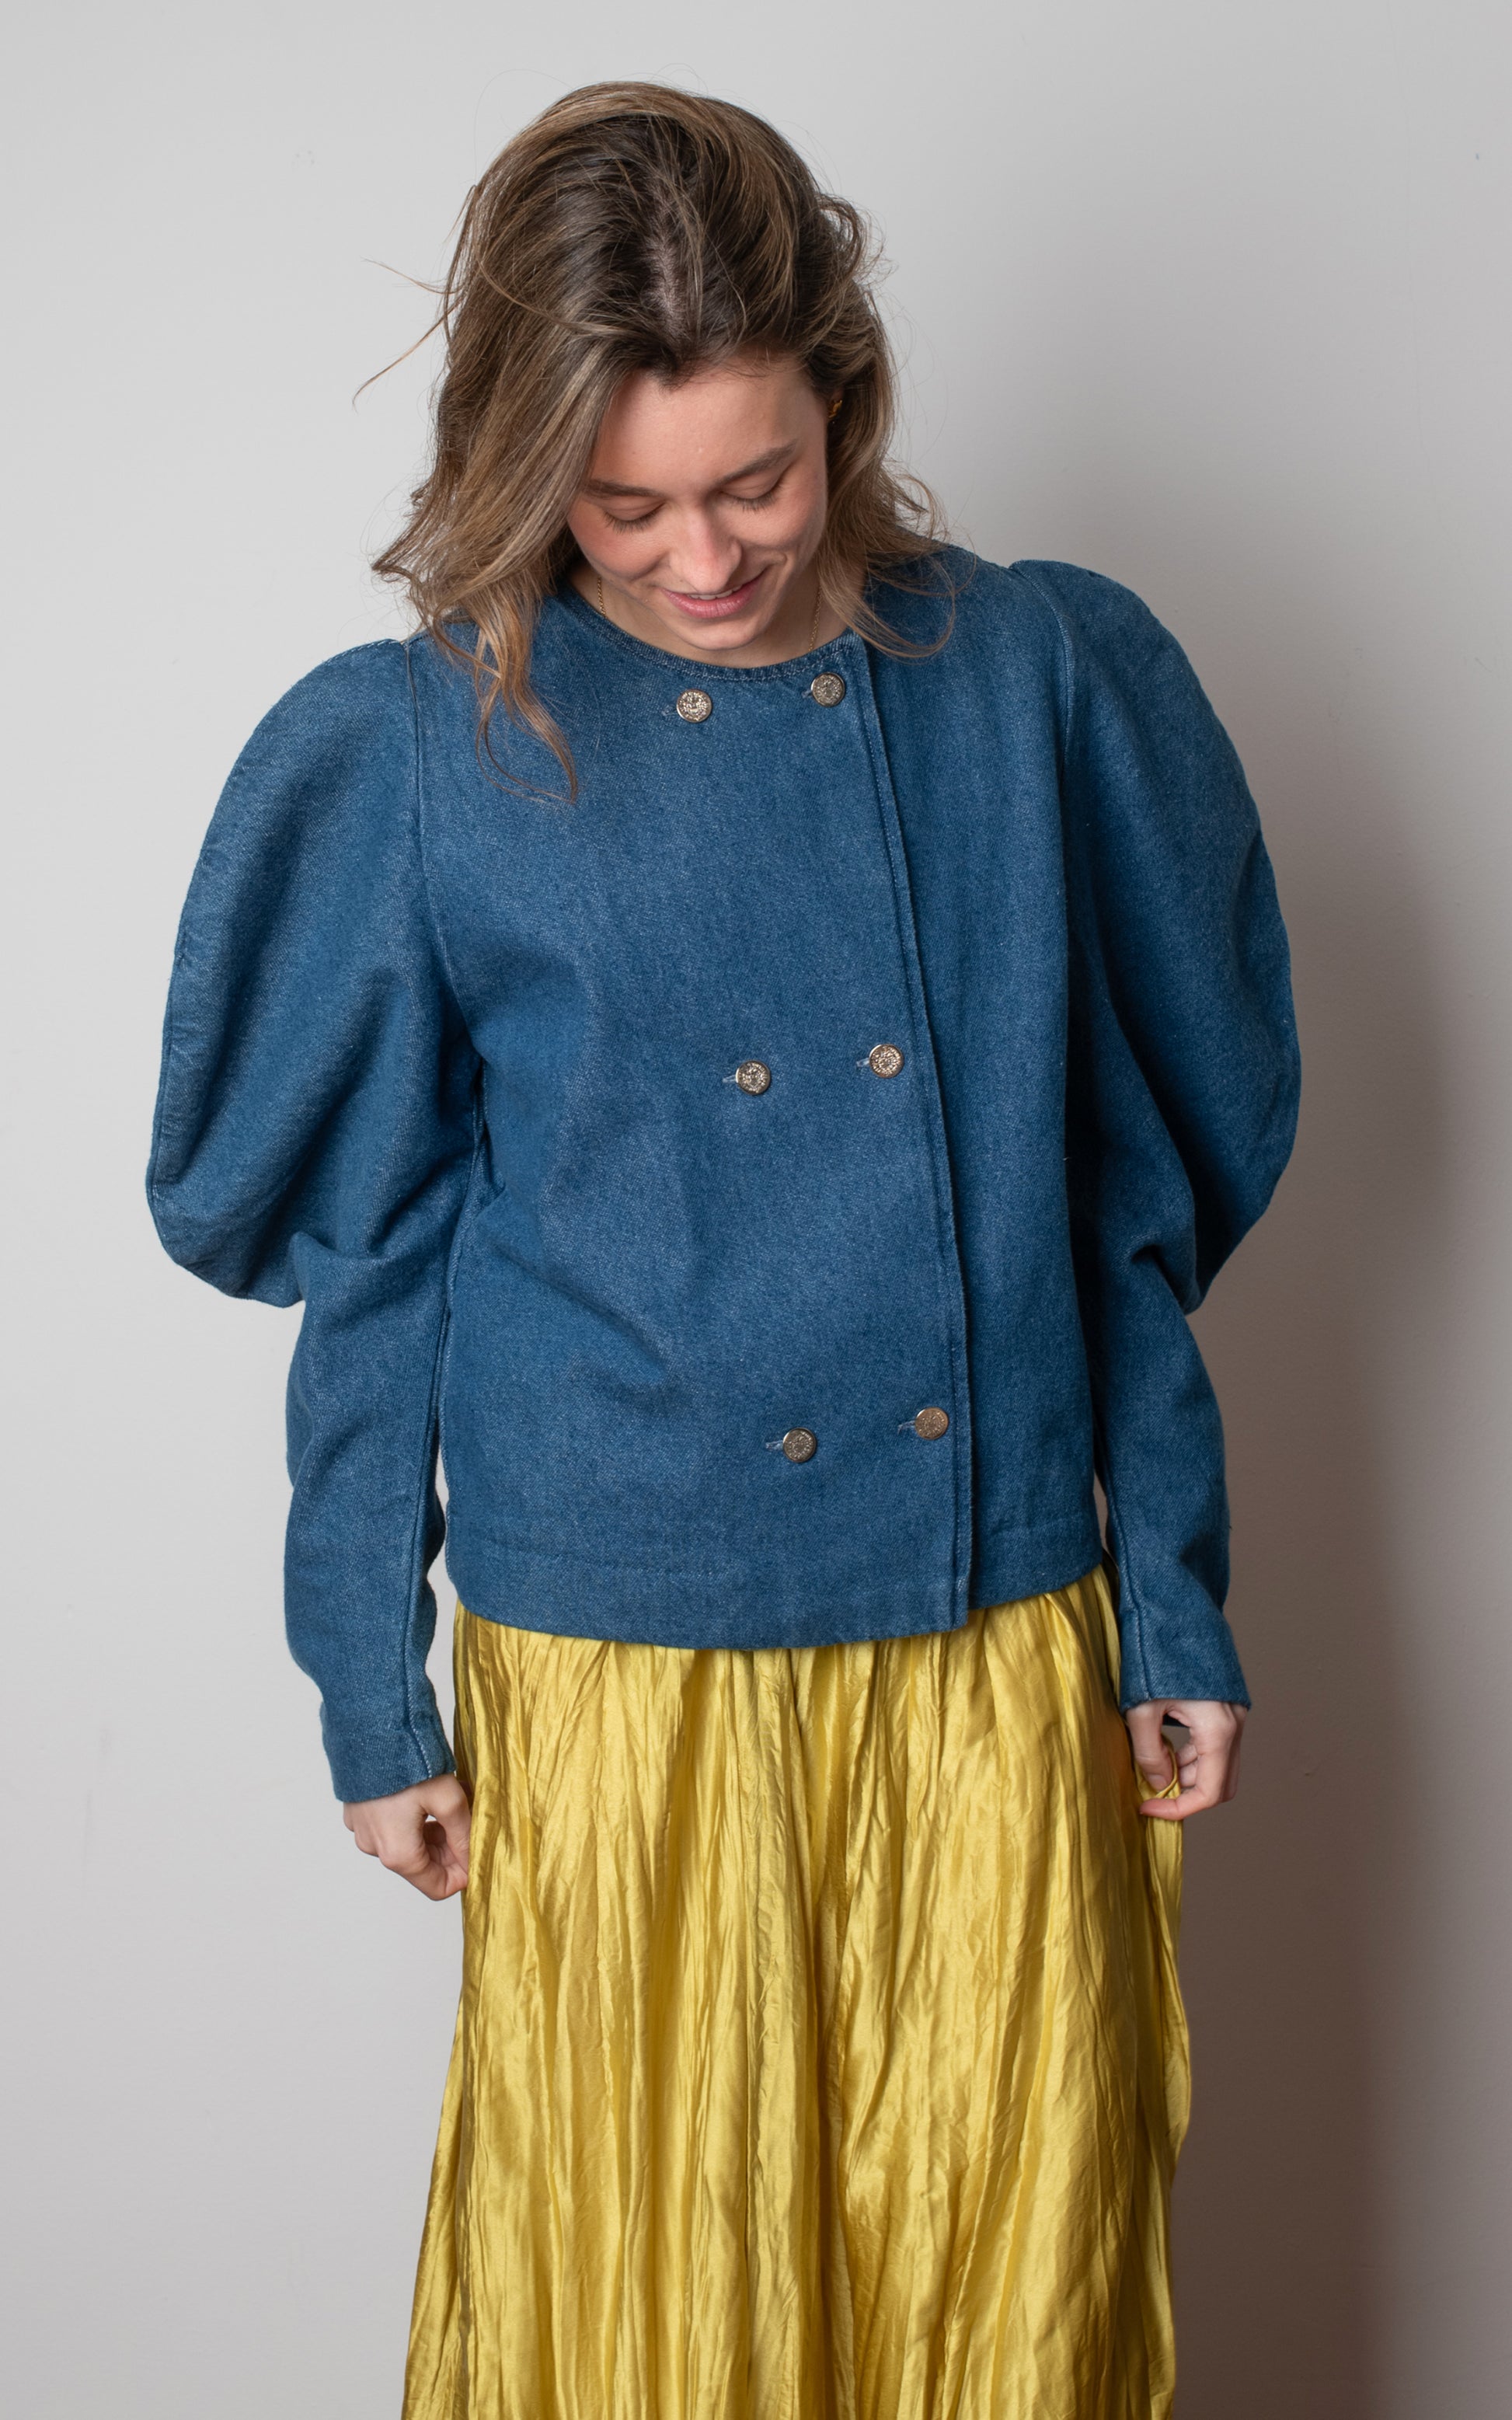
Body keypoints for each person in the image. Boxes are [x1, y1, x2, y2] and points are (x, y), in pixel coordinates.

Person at [146, 80, 1298, 2420]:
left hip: (990, 1631)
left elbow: (1122, 1199)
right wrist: (369, 1678)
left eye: (754, 480)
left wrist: (1171, 1593)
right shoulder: (430, 746)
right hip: (621, 1665)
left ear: (843, 401)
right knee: (654, 2322)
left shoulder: (1039, 683)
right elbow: (381, 1251)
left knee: (1007, 2302)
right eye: (625, 503)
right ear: (522, 463)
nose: (702, 557)